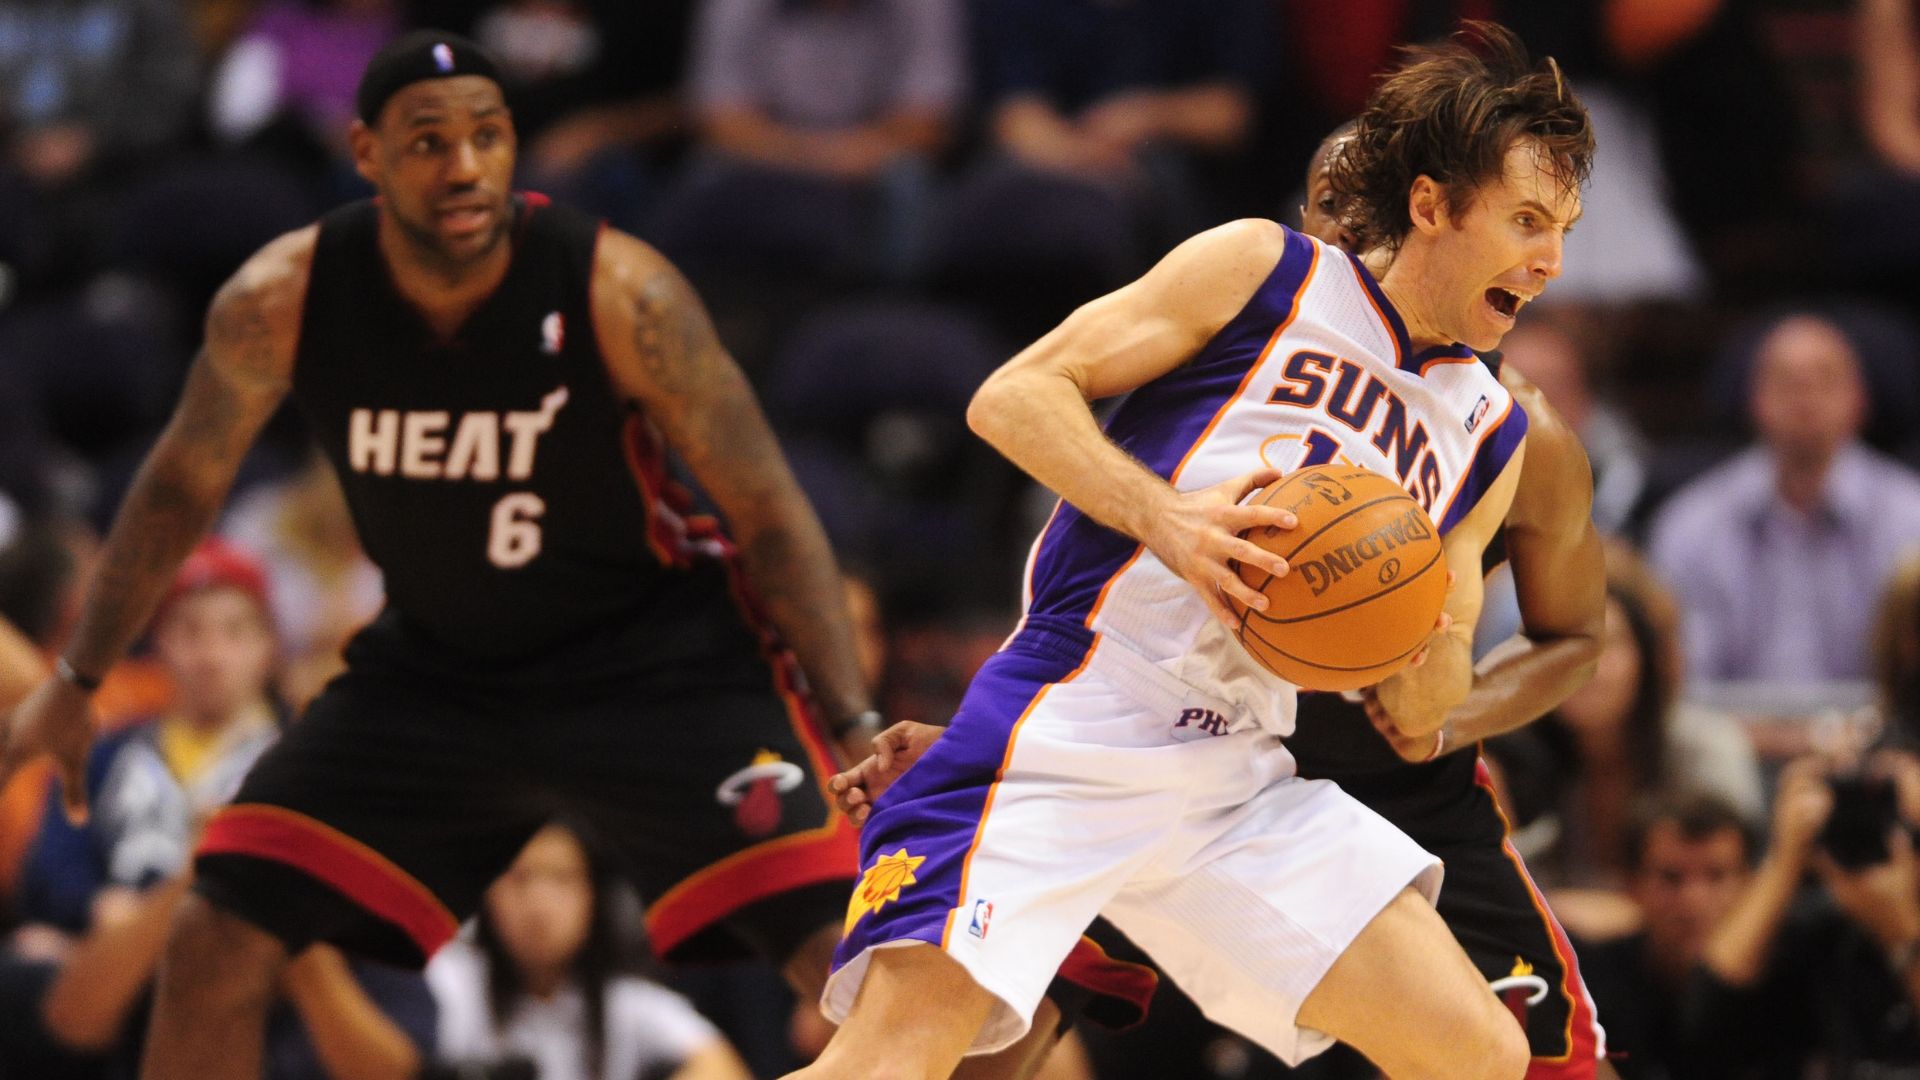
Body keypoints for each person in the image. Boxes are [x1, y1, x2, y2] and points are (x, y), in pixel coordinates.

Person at [0, 31, 880, 1080]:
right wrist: (77, 676)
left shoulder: (621, 293)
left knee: (861, 955)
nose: (463, 167)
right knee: (214, 931)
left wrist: (854, 719)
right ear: (367, 153)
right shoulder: (282, 299)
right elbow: (180, 484)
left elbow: (770, 512)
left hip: (656, 660)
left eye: (487, 137)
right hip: (440, 671)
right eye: (428, 141)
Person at [803, 23, 1589, 1080]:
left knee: (1479, 1055)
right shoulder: (1265, 274)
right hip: (1073, 721)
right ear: (1432, 204)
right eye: (1527, 220)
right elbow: (1014, 396)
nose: (1548, 260)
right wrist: (1174, 522)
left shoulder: (1488, 428)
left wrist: (1419, 652)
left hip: (1236, 773)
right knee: (890, 1063)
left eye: (1565, 232)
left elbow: (1428, 689)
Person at [1647, 310, 1920, 684]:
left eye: (1825, 380)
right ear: (1755, 399)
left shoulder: (1911, 519)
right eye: (1787, 383)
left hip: (1880, 738)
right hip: (1731, 738)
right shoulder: (1691, 523)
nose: (1806, 398)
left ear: (1859, 399)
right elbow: (1683, 686)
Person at [429, 822, 752, 1080]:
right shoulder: (447, 983)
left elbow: (721, 1066)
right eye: (519, 878)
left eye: (562, 878)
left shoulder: (626, 1002)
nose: (539, 905)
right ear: (485, 894)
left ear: (595, 898)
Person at [1575, 794, 1755, 1080]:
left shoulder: (1787, 973)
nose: (1694, 902)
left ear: (1750, 884)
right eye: (1671, 878)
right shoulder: (1592, 985)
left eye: (1717, 876)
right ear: (1631, 885)